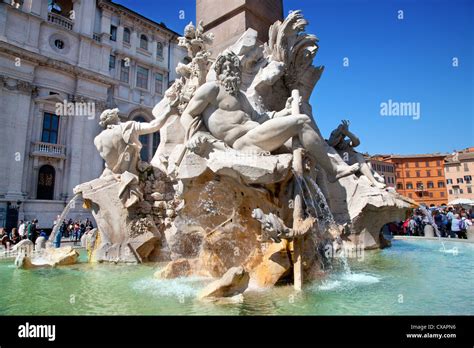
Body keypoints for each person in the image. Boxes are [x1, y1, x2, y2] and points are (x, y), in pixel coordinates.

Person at [180, 50, 360, 183]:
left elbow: (259, 118)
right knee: (302, 122)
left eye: (234, 67)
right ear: (218, 71)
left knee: (309, 153)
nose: (230, 70)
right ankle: (333, 170)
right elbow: (187, 114)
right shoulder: (212, 89)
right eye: (225, 67)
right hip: (241, 142)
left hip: (257, 134)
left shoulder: (241, 96)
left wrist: (285, 111)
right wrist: (195, 136)